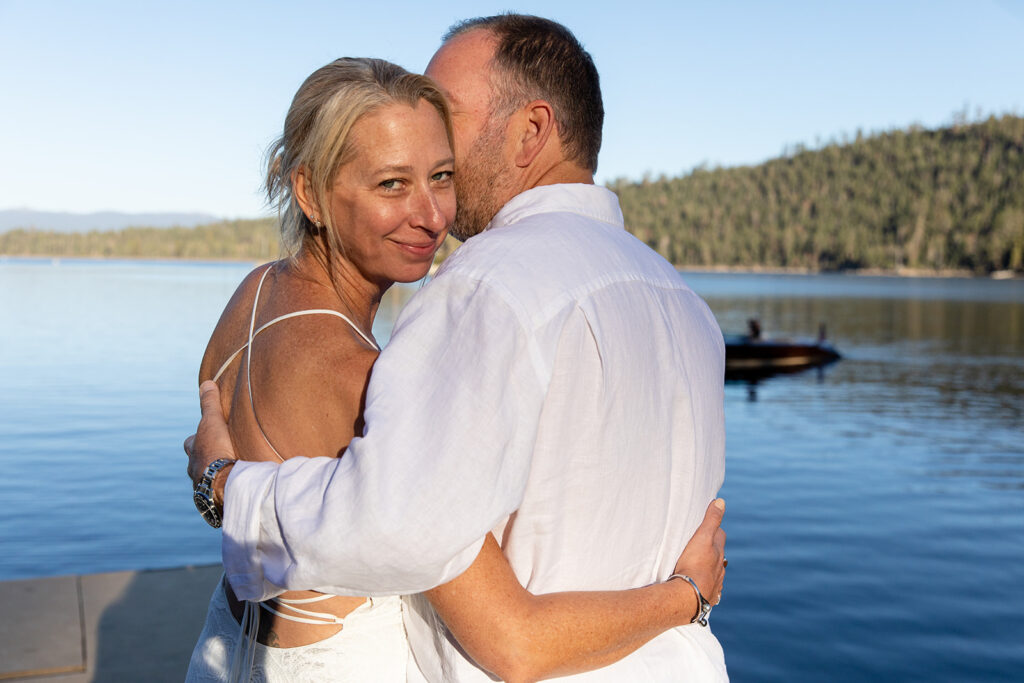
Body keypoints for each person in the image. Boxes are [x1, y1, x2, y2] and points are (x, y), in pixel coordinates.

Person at [188, 14, 728, 682]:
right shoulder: (690, 309)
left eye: (440, 169)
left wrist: (222, 485)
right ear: (311, 192)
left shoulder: (253, 294)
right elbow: (511, 635)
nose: (433, 213)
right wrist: (686, 594)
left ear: (532, 129)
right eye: (393, 182)